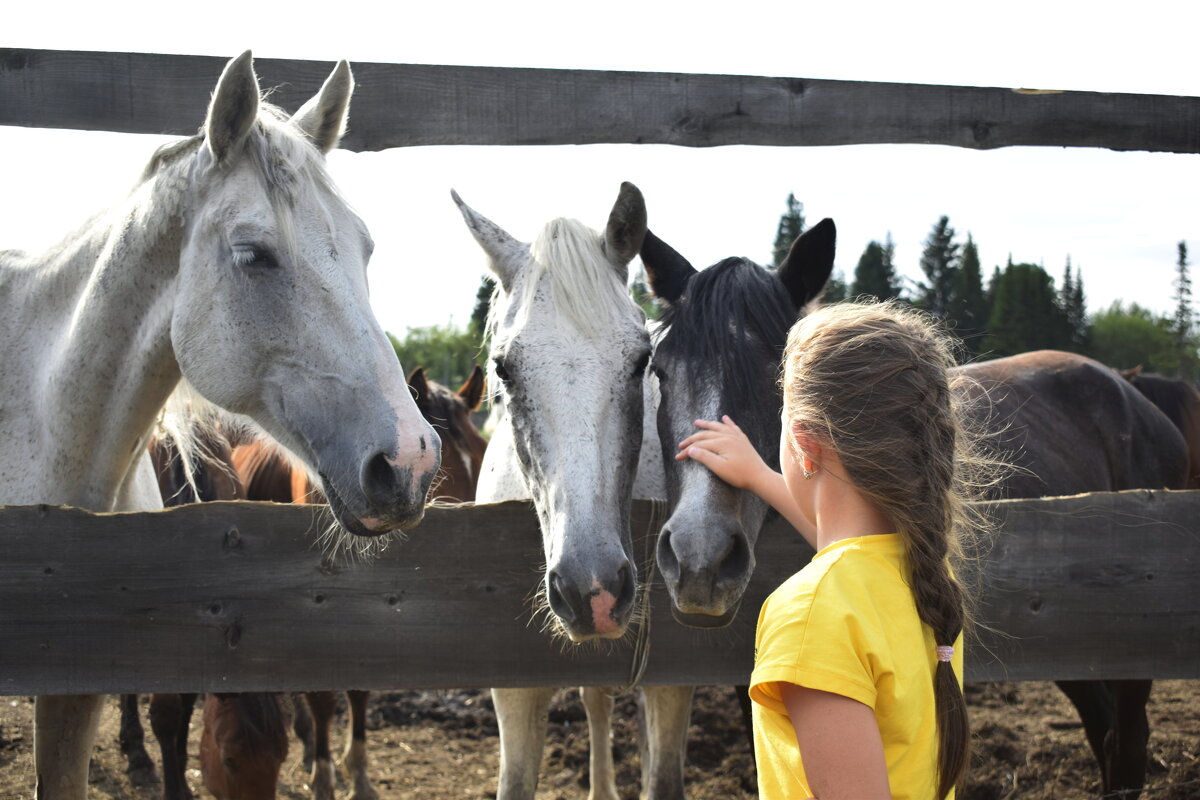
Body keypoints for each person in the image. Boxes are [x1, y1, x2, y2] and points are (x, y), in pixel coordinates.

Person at [676, 301, 998, 800]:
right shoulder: (927, 575)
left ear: (803, 444)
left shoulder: (811, 616)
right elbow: (844, 545)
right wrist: (762, 476)